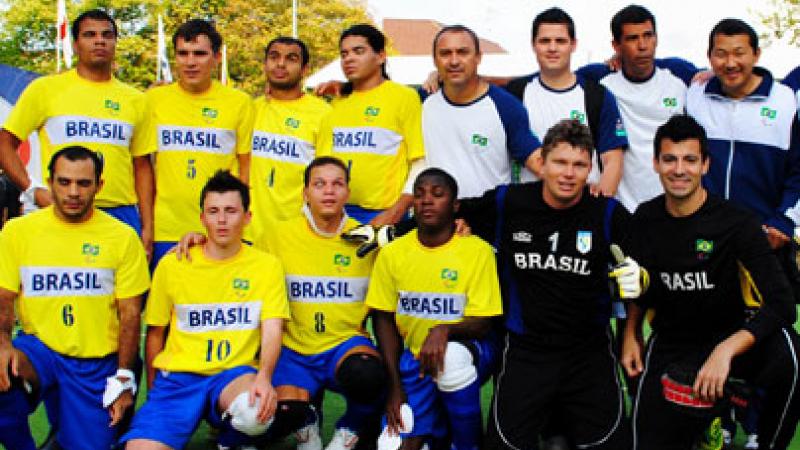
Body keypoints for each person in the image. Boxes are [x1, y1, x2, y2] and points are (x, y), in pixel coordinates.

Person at [175, 157, 386, 450]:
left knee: (369, 376)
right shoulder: (277, 235)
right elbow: (236, 255)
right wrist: (202, 239)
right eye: (319, 184)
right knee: (272, 413)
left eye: (337, 184)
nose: (328, 191)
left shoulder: (367, 239)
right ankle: (304, 422)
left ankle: (348, 430)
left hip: (343, 345)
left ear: (347, 193)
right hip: (294, 349)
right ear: (305, 193)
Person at [621, 114, 800, 450]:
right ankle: (707, 423)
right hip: (675, 341)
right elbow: (638, 287)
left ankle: (764, 438)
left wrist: (726, 350)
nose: (679, 169)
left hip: (732, 338)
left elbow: (782, 303)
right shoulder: (645, 218)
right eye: (670, 159)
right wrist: (631, 335)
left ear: (705, 165)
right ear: (656, 163)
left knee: (789, 354)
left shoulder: (738, 222)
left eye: (690, 160)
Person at [457, 119, 633, 450]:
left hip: (589, 350)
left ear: (590, 170)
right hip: (527, 349)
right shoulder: (508, 203)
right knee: (503, 445)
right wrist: (394, 231)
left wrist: (641, 283)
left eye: (579, 165)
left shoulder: (606, 213)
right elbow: (448, 211)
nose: (568, 173)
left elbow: (648, 261)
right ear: (543, 163)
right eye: (560, 162)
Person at [122, 171, 292, 449]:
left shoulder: (266, 265)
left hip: (233, 376)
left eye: (230, 211)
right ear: (202, 218)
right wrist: (154, 392)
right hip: (178, 380)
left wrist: (263, 377)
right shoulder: (173, 264)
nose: (222, 220)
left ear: (247, 217)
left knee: (254, 412)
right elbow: (155, 334)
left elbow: (273, 328)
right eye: (213, 211)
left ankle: (231, 439)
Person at [0, 146, 149, 450]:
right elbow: (3, 299)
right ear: (49, 181)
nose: (73, 192)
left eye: (83, 183)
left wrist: (123, 377)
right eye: (64, 182)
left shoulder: (121, 238)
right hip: (40, 351)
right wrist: (2, 345)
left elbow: (131, 315)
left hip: (94, 362)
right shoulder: (18, 232)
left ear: (99, 186)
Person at [366, 168, 503, 450]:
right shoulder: (392, 253)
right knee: (392, 446)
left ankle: (467, 444)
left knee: (451, 360)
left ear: (454, 206)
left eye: (437, 194)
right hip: (415, 360)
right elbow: (383, 319)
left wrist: (444, 330)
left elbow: (484, 322)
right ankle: (436, 435)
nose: (426, 200)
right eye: (419, 194)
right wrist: (395, 389)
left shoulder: (477, 251)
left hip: (471, 351)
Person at [0, 9, 154, 250]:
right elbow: (4, 143)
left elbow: (143, 166)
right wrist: (32, 191)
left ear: (115, 43)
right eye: (90, 35)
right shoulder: (45, 89)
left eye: (107, 35)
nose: (99, 40)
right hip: (62, 210)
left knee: (123, 288)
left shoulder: (136, 100)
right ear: (75, 44)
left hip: (119, 214)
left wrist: (148, 226)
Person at [686, 18, 800, 289]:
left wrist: (783, 222)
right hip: (705, 241)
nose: (730, 63)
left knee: (768, 327)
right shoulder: (695, 95)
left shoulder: (786, 101)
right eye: (721, 54)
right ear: (709, 57)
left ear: (756, 55)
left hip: (764, 242)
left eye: (739, 53)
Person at [139, 19, 254, 269]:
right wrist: (147, 224)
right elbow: (142, 166)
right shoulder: (153, 100)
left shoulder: (239, 102)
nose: (190, 62)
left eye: (200, 54)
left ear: (216, 57)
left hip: (220, 230)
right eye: (183, 53)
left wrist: (236, 223)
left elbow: (246, 168)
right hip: (165, 229)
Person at [577, 4, 698, 211]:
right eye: (632, 39)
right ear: (616, 45)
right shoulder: (603, 84)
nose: (642, 45)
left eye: (648, 36)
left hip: (674, 207)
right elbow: (561, 77)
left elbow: (720, 75)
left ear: (656, 38)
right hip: (624, 208)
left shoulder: (679, 79)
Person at [504, 7, 627, 196]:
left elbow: (613, 160)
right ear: (533, 44)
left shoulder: (596, 95)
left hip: (581, 209)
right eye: (545, 41)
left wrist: (600, 204)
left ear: (573, 44)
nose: (552, 48)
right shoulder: (515, 93)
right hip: (528, 210)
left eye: (560, 41)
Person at [316, 24, 425, 226]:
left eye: (359, 51)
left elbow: (421, 161)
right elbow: (322, 165)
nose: (349, 58)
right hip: (337, 214)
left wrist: (397, 211)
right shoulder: (338, 103)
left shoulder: (404, 98)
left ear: (381, 56)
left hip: (384, 216)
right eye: (344, 53)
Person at [422, 25, 541, 199]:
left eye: (463, 52)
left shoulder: (505, 106)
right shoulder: (424, 101)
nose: (454, 61)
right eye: (445, 53)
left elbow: (537, 161)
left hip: (490, 220)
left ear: (478, 57)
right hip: (439, 222)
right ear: (434, 60)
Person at [249, 37, 331, 241]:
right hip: (247, 233)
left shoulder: (323, 114)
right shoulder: (249, 110)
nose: (280, 64)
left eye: (291, 58)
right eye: (274, 57)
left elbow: (327, 177)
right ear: (264, 64)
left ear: (305, 69)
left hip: (299, 234)